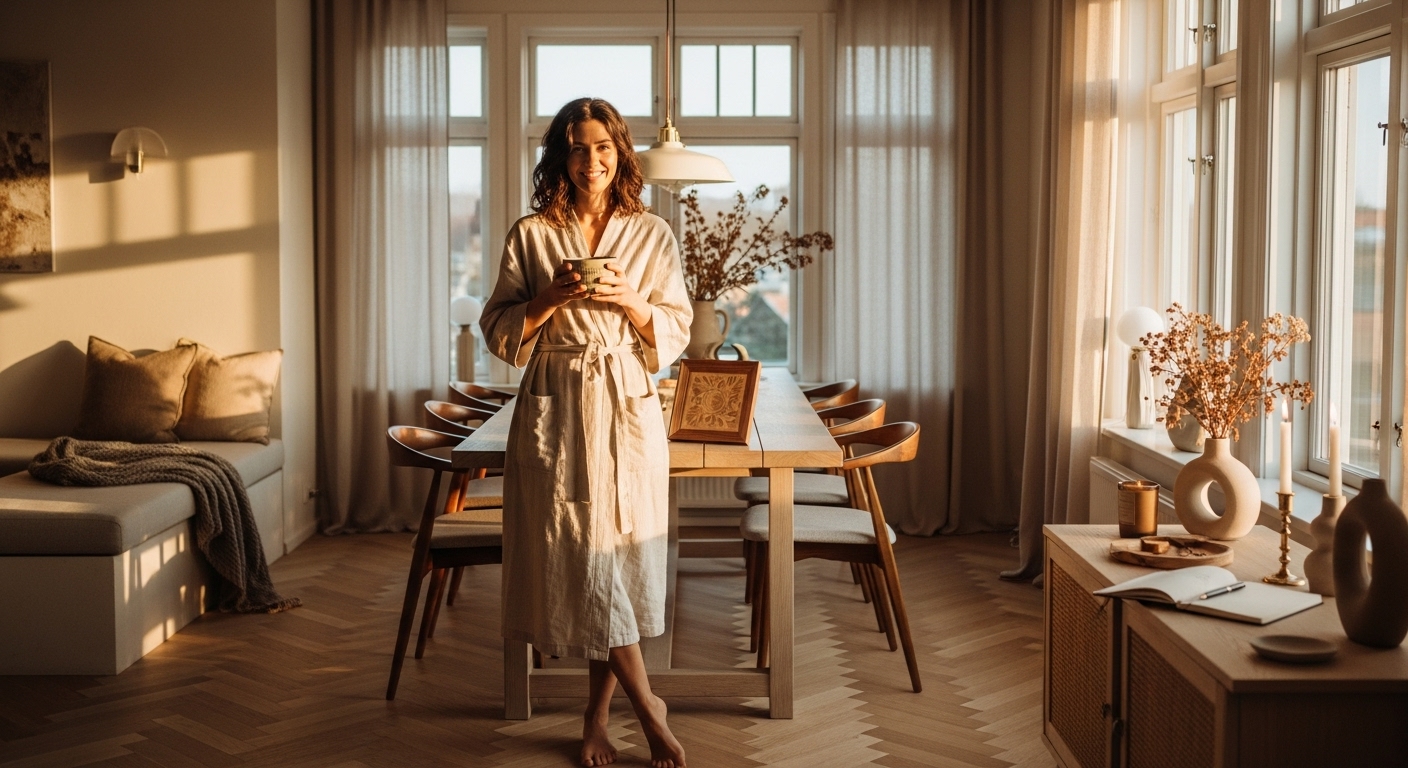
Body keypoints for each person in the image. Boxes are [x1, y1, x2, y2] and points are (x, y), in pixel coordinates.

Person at [480, 97, 692, 768]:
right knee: (581, 558)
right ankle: (647, 708)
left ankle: (595, 720)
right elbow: (498, 328)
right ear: (559, 157)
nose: (590, 160)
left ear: (620, 152)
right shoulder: (532, 233)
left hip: (626, 402)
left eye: (602, 146)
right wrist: (546, 301)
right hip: (556, 401)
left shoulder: (652, 232)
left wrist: (630, 301)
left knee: (615, 562)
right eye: (576, 147)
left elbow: (676, 328)